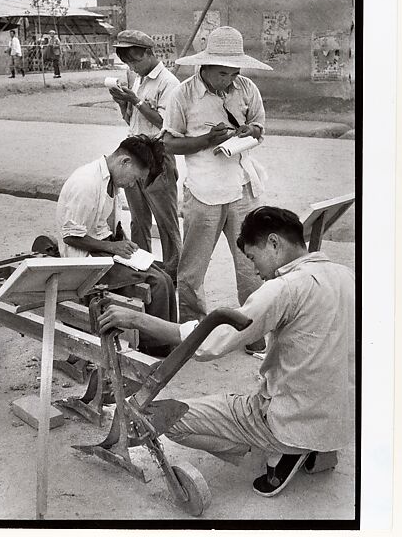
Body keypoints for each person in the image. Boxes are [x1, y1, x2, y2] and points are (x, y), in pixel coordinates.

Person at [98, 206, 355, 497]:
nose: (255, 270)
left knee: (164, 418)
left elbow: (211, 340)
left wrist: (137, 319)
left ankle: (282, 447)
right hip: (339, 420)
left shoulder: (284, 288)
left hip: (290, 419)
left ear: (273, 243)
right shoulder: (346, 275)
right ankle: (316, 445)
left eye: (253, 258)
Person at [161, 26, 273, 353]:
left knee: (252, 263)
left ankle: (252, 331)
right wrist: (206, 141)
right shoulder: (183, 95)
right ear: (205, 67)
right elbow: (168, 142)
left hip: (241, 186)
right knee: (192, 270)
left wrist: (250, 130)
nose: (230, 78)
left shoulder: (246, 88)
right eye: (224, 73)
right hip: (203, 190)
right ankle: (195, 333)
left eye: (235, 72)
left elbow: (259, 128)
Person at [56, 135, 177, 357]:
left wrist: (120, 241)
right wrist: (112, 248)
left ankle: (168, 340)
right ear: (124, 162)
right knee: (157, 282)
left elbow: (102, 226)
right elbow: (70, 237)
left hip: (101, 249)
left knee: (166, 277)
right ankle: (154, 349)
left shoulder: (110, 179)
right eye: (134, 178)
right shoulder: (86, 182)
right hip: (84, 259)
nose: (132, 184)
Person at [107, 30, 182, 284]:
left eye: (135, 61)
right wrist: (123, 103)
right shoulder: (138, 79)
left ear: (150, 53)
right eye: (128, 63)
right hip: (134, 155)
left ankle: (172, 275)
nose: (132, 67)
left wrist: (137, 101)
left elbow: (164, 122)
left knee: (166, 223)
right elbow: (133, 120)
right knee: (138, 221)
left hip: (158, 159)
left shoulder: (168, 83)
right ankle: (142, 270)